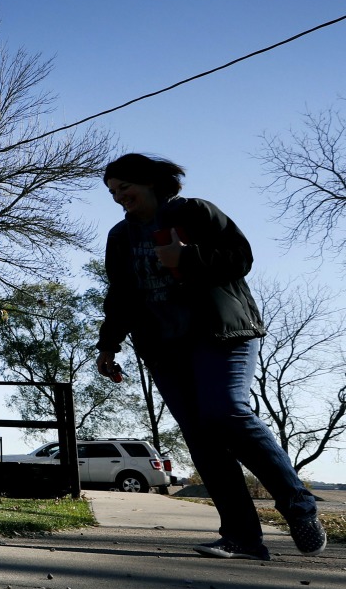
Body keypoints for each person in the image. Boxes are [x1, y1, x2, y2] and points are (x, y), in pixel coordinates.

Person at [95, 153, 327, 561]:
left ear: (149, 181)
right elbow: (121, 296)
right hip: (165, 348)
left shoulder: (194, 211)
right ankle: (242, 537)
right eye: (112, 192)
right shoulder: (120, 236)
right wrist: (108, 345)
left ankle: (299, 507)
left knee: (225, 412)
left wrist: (187, 258)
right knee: (202, 438)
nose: (118, 197)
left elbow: (241, 259)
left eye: (124, 188)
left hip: (221, 334)